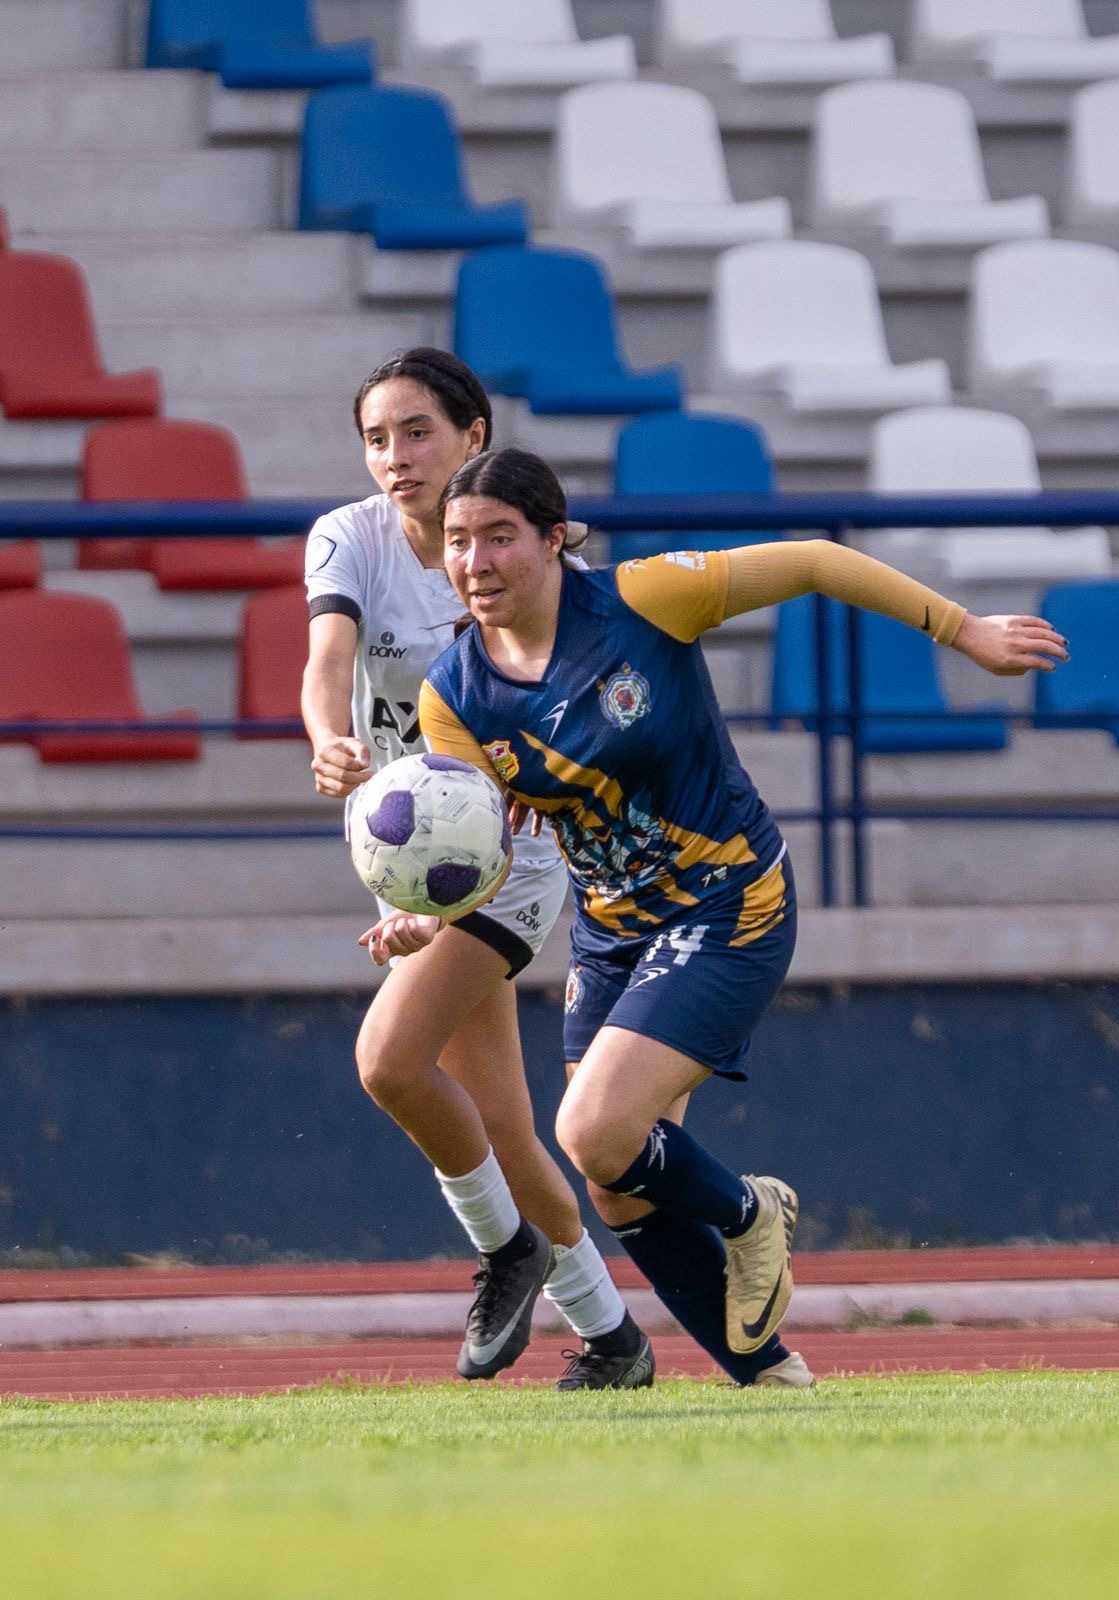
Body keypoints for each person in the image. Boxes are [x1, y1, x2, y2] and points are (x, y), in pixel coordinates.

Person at [376, 447, 1069, 1388]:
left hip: (729, 898)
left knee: (591, 1131)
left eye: (501, 537)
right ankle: (773, 1383)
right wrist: (426, 915)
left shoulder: (646, 599)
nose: (477, 561)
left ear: (553, 539)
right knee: (615, 1187)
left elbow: (820, 559)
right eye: (459, 542)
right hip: (615, 929)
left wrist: (965, 631)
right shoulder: (454, 694)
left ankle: (751, 1213)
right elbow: (480, 845)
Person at [301, 352, 653, 1391]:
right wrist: (328, 737)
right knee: (499, 1120)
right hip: (409, 845)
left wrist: (448, 895)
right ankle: (613, 1339)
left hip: (516, 848)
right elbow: (327, 661)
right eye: (377, 437)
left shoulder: (513, 562)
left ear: (475, 437)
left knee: (392, 1063)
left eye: (417, 432)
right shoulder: (349, 538)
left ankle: (506, 1249)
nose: (395, 457)